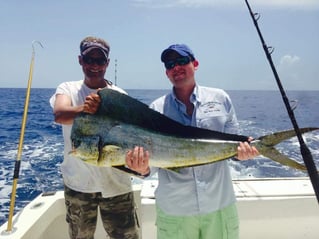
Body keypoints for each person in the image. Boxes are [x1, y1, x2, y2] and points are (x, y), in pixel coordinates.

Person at [126, 44, 259, 239]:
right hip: (176, 211)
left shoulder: (220, 98)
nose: (176, 67)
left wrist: (243, 153)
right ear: (166, 73)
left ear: (195, 64)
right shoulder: (156, 109)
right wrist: (142, 168)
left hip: (219, 205)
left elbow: (234, 146)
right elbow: (152, 166)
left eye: (181, 61)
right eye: (170, 64)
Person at [50, 36, 139, 239]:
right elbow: (60, 114)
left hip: (117, 186)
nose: (94, 66)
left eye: (100, 61)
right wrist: (84, 109)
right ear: (80, 60)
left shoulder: (119, 95)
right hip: (78, 186)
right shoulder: (67, 89)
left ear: (107, 63)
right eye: (89, 60)